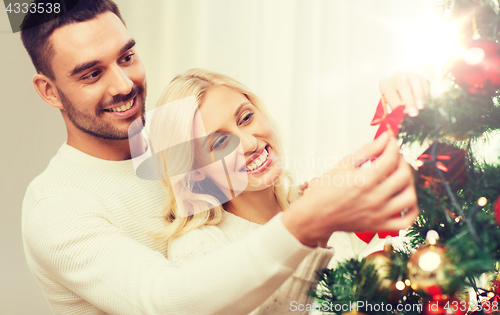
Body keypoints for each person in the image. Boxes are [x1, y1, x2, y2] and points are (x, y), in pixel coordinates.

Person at [20, 0, 425, 314]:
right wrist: (309, 222)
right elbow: (164, 302)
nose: (124, 84)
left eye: (126, 57)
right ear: (49, 90)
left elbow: (261, 206)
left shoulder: (171, 133)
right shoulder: (57, 205)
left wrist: (402, 116)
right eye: (92, 73)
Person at [149, 68, 393, 314]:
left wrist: (406, 112)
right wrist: (313, 230)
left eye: (245, 118)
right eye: (221, 142)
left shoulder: (312, 197)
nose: (250, 143)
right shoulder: (196, 249)